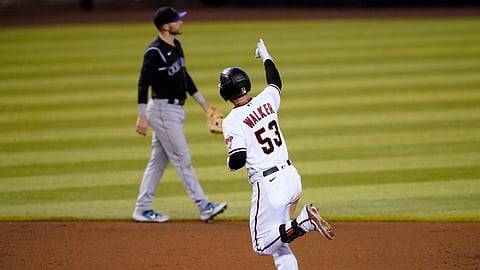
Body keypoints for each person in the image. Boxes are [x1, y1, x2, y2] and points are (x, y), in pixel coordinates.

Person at [219, 39, 335, 269]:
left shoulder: (231, 120)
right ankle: (300, 226)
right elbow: (275, 82)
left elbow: (238, 159)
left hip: (270, 185)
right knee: (280, 239)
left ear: (226, 92)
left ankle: (305, 221)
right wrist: (266, 56)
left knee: (262, 244)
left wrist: (229, 162)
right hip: (292, 178)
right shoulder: (266, 99)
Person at [133, 7, 227, 223]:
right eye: (176, 20)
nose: (180, 22)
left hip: (175, 110)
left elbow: (184, 77)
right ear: (166, 26)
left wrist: (203, 104)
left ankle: (142, 208)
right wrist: (142, 116)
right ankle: (204, 206)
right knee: (182, 158)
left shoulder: (177, 45)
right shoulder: (154, 52)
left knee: (157, 161)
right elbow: (143, 83)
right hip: (162, 110)